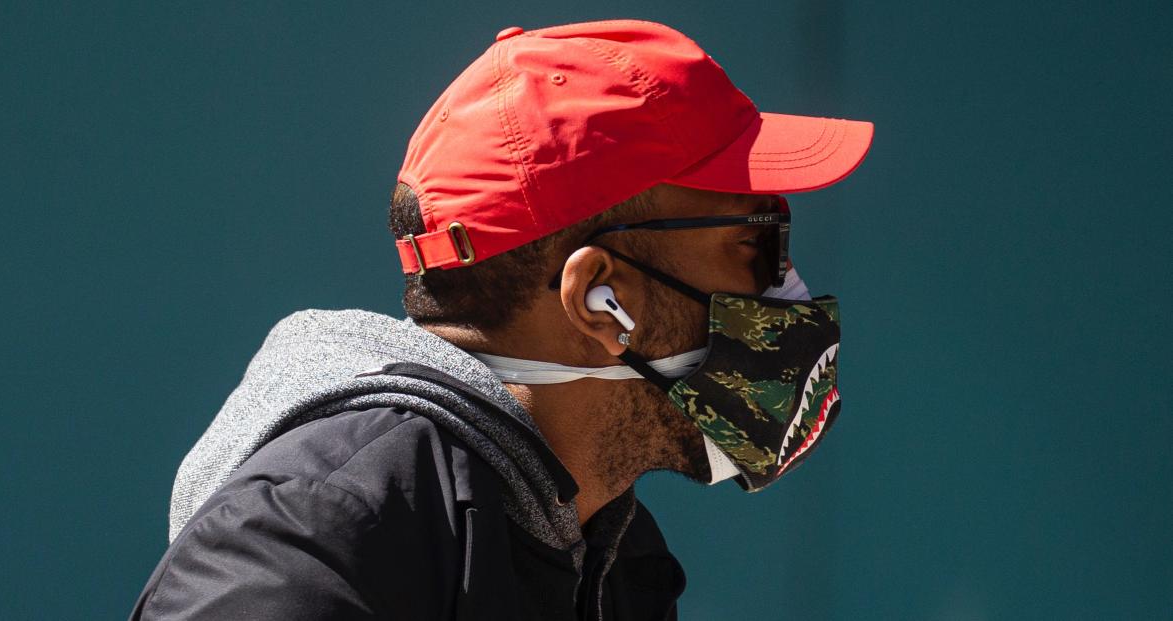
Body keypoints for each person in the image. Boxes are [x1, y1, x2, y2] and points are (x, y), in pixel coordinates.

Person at [130, 19, 872, 621]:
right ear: (599, 300)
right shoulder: (318, 539)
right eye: (759, 245)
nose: (792, 290)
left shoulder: (615, 552)